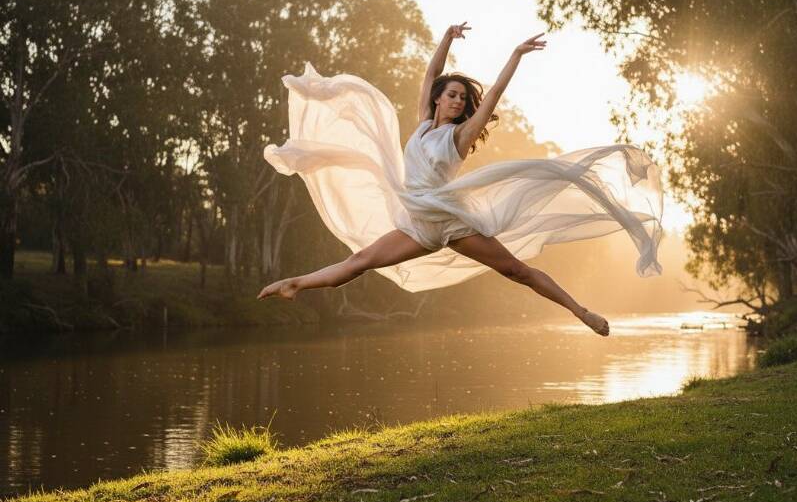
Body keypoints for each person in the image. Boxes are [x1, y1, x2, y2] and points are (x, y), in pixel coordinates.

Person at [258, 22, 666, 336]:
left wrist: (515, 55)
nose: (457, 101)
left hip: (451, 223)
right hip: (417, 225)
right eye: (451, 95)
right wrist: (446, 38)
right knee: (359, 261)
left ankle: (581, 312)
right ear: (438, 98)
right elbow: (430, 73)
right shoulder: (422, 123)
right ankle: (296, 284)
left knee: (516, 271)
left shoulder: (460, 136)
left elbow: (494, 96)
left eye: (462, 98)